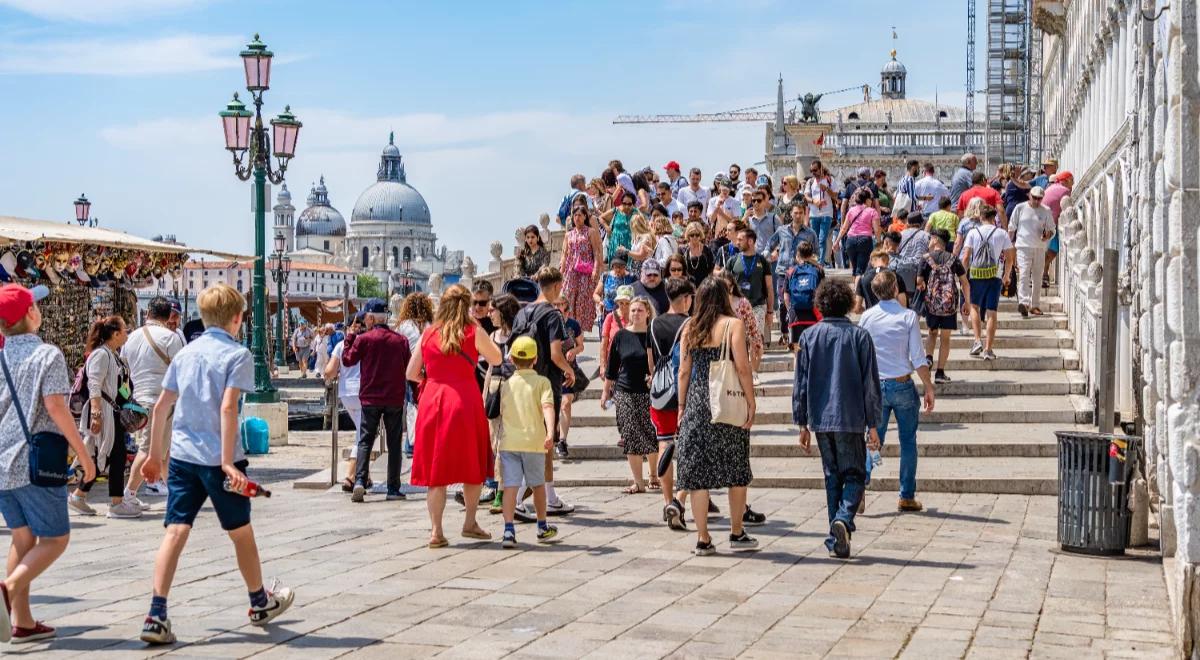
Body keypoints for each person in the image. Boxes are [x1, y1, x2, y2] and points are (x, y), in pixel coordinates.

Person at [139, 284, 294, 645]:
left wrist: (151, 456)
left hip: (181, 456)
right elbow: (228, 408)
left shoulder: (186, 353)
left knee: (175, 531)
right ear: (238, 319)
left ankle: (156, 613)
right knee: (240, 532)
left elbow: (161, 408)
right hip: (218, 457)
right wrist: (228, 463)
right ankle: (259, 602)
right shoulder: (237, 354)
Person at [0, 284, 96, 644]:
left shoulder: (1, 355)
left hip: (2, 462)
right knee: (55, 538)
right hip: (34, 461)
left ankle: (21, 621)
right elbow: (56, 408)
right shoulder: (47, 355)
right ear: (31, 315)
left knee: (23, 538)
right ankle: (7, 589)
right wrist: (84, 457)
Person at [407, 285, 502, 547]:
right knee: (472, 465)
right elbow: (497, 358)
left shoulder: (428, 333)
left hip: (432, 402)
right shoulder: (472, 332)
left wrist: (431, 379)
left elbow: (410, 373)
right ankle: (469, 522)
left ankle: (436, 531)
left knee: (436, 471)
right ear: (467, 305)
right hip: (464, 400)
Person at [793, 279, 881, 559]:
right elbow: (870, 384)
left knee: (832, 476)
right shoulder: (859, 336)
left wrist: (801, 422)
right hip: (850, 415)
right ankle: (843, 519)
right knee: (855, 473)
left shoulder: (808, 337)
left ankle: (837, 537)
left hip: (820, 416)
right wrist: (874, 423)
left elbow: (801, 383)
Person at [675, 278, 759, 556]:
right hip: (725, 404)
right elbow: (743, 367)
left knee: (698, 475)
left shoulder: (690, 327)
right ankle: (736, 532)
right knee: (736, 468)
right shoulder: (732, 325)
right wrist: (751, 400)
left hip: (698, 404)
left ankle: (703, 538)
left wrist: (681, 405)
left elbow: (683, 371)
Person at [859, 270, 936, 513]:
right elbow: (918, 357)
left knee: (873, 440)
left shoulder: (867, 318)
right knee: (908, 441)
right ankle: (906, 495)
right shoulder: (908, 316)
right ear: (895, 289)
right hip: (902, 383)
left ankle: (859, 487)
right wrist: (929, 387)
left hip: (875, 386)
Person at [509, 267, 576, 516]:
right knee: (545, 440)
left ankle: (550, 497)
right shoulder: (552, 315)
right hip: (546, 383)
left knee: (536, 441)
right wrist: (569, 371)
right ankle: (517, 498)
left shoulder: (521, 313)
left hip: (522, 383)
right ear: (557, 286)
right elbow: (556, 354)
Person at [69, 315, 141, 519]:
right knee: (110, 455)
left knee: (108, 455)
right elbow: (94, 384)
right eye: (125, 329)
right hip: (104, 413)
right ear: (115, 334)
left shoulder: (113, 354)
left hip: (112, 413)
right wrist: (96, 414)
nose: (127, 332)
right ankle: (115, 503)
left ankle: (80, 496)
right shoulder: (101, 354)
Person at [343, 298, 411, 502]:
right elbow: (408, 366)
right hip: (394, 398)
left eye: (366, 317)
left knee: (365, 441)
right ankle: (393, 488)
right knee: (394, 444)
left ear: (371, 317)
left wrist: (349, 338)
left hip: (370, 397)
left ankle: (360, 481)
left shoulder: (364, 339)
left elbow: (348, 360)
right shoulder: (400, 341)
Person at [497, 336, 559, 548]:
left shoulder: (507, 385)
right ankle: (542, 526)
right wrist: (550, 432)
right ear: (535, 359)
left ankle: (508, 530)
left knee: (510, 487)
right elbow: (548, 408)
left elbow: (502, 411)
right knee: (538, 485)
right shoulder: (542, 382)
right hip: (534, 441)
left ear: (512, 359)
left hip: (509, 443)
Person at [122, 296, 184, 508]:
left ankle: (176, 495)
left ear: (147, 314)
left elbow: (125, 365)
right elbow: (180, 370)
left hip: (138, 399)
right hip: (161, 401)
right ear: (168, 317)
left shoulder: (131, 338)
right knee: (148, 449)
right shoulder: (170, 337)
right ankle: (127, 495)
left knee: (163, 450)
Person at [601, 297, 659, 494]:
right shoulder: (621, 336)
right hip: (625, 391)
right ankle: (638, 481)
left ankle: (653, 475)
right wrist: (605, 392)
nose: (635, 314)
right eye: (633, 310)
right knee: (630, 435)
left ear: (647, 313)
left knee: (651, 433)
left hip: (649, 392)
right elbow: (612, 367)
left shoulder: (654, 335)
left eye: (640, 310)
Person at [650, 277, 692, 530]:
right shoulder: (689, 324)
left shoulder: (653, 323)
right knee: (689, 449)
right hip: (681, 394)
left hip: (659, 391)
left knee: (665, 444)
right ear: (685, 298)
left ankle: (667, 500)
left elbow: (651, 360)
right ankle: (679, 499)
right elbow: (686, 367)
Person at [961, 205, 1016, 360]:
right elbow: (1009, 258)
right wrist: (1006, 275)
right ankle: (988, 349)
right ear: (994, 218)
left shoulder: (973, 232)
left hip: (976, 275)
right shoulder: (1001, 233)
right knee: (992, 312)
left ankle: (977, 340)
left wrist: (963, 277)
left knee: (974, 307)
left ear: (980, 217)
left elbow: (965, 257)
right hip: (994, 275)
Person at [918, 229, 971, 383]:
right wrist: (966, 302)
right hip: (949, 304)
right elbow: (965, 283)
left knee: (932, 332)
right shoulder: (954, 259)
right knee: (945, 338)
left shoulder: (926, 258)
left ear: (935, 239)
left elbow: (919, 282)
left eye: (930, 238)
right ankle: (940, 373)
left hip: (932, 303)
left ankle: (928, 358)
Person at [325, 313, 364, 491]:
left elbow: (329, 371)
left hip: (346, 393)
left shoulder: (341, 346)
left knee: (360, 431)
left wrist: (332, 377)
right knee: (363, 435)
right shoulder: (367, 343)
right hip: (364, 393)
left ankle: (364, 475)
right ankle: (350, 476)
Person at [767, 202, 817, 338]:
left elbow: (816, 253)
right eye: (796, 212)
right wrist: (767, 256)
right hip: (783, 271)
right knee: (783, 303)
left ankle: (797, 329)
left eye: (801, 213)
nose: (798, 215)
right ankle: (784, 331)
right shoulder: (782, 230)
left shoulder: (810, 233)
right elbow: (770, 245)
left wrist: (812, 262)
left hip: (801, 272)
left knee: (799, 301)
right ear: (790, 214)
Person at [722, 228, 774, 352]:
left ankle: (754, 371)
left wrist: (770, 311)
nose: (737, 242)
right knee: (739, 340)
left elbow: (769, 287)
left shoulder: (762, 261)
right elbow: (724, 285)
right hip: (737, 306)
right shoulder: (732, 261)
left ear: (750, 241)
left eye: (740, 239)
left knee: (756, 340)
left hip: (758, 306)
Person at [395, 293, 434, 456]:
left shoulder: (402, 326)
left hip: (409, 370)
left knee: (411, 406)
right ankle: (422, 442)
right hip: (429, 370)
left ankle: (411, 444)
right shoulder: (431, 325)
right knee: (427, 407)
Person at [1008, 186, 1056, 318]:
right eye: (1034, 198)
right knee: (1023, 274)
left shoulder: (1046, 210)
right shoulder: (1020, 208)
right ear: (1029, 195)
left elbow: (1052, 229)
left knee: (1037, 277)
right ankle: (1023, 302)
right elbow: (1012, 227)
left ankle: (1035, 305)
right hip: (1023, 246)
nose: (1036, 201)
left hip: (1040, 247)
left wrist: (1048, 235)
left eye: (1039, 199)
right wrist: (1008, 246)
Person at [559, 205, 603, 333]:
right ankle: (569, 328)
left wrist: (596, 269)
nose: (577, 218)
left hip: (585, 272)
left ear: (585, 217)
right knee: (568, 297)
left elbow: (596, 252)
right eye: (575, 215)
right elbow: (564, 253)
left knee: (582, 300)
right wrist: (561, 271)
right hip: (570, 271)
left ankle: (579, 331)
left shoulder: (590, 232)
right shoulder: (569, 234)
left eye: (579, 215)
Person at [717, 271, 764, 375]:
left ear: (733, 287)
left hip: (738, 349)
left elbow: (752, 327)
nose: (726, 290)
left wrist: (757, 346)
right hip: (717, 349)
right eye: (722, 287)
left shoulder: (742, 303)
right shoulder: (713, 304)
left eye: (728, 286)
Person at [554, 296, 584, 460]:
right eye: (555, 304)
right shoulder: (549, 323)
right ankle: (555, 432)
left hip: (569, 370)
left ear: (566, 305)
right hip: (552, 370)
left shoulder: (573, 324)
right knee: (554, 405)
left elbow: (581, 345)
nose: (558, 307)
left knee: (565, 403)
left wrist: (574, 351)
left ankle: (562, 440)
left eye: (561, 304)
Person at [783, 241, 825, 349]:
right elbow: (822, 293)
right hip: (813, 315)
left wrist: (790, 310)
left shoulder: (791, 272)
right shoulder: (818, 270)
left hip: (796, 316)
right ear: (811, 255)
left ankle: (798, 366)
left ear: (798, 254)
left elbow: (786, 296)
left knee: (797, 351)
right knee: (814, 349)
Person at [833, 188, 882, 276]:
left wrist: (837, 242)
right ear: (867, 200)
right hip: (865, 241)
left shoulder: (851, 210)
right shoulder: (872, 211)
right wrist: (879, 243)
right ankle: (857, 289)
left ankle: (856, 287)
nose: (871, 202)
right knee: (861, 270)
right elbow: (877, 230)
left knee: (855, 269)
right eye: (871, 200)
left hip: (850, 241)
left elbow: (844, 228)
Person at [804, 160, 839, 267]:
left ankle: (820, 262)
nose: (813, 172)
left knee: (822, 238)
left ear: (821, 169)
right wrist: (814, 201)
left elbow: (835, 196)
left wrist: (827, 189)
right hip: (814, 215)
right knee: (814, 238)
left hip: (827, 214)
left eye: (815, 170)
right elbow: (806, 196)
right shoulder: (810, 182)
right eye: (811, 170)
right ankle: (815, 260)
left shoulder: (829, 180)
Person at [1042, 170, 1073, 288]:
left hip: (1045, 222)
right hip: (1050, 225)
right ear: (1065, 181)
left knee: (1048, 251)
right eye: (1071, 181)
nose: (1073, 184)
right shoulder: (1065, 191)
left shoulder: (1052, 187)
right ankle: (1038, 272)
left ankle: (1043, 275)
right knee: (1052, 251)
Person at [593, 255, 636, 332]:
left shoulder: (632, 278)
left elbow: (637, 297)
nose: (618, 269)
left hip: (625, 315)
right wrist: (601, 302)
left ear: (625, 266)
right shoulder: (606, 276)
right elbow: (595, 294)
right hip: (607, 313)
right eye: (616, 266)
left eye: (621, 266)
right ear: (612, 266)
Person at [600, 195, 639, 265]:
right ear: (621, 203)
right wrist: (606, 227)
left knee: (627, 267)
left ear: (633, 204)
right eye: (624, 203)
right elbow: (601, 217)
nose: (627, 206)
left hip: (629, 244)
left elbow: (643, 226)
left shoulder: (636, 213)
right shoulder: (616, 210)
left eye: (629, 204)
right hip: (615, 243)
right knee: (614, 266)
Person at [678, 219, 716, 287]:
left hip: (704, 286)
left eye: (697, 234)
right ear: (688, 235)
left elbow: (711, 270)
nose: (694, 237)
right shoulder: (682, 250)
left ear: (700, 235)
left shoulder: (706, 250)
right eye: (692, 235)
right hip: (688, 286)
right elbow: (679, 269)